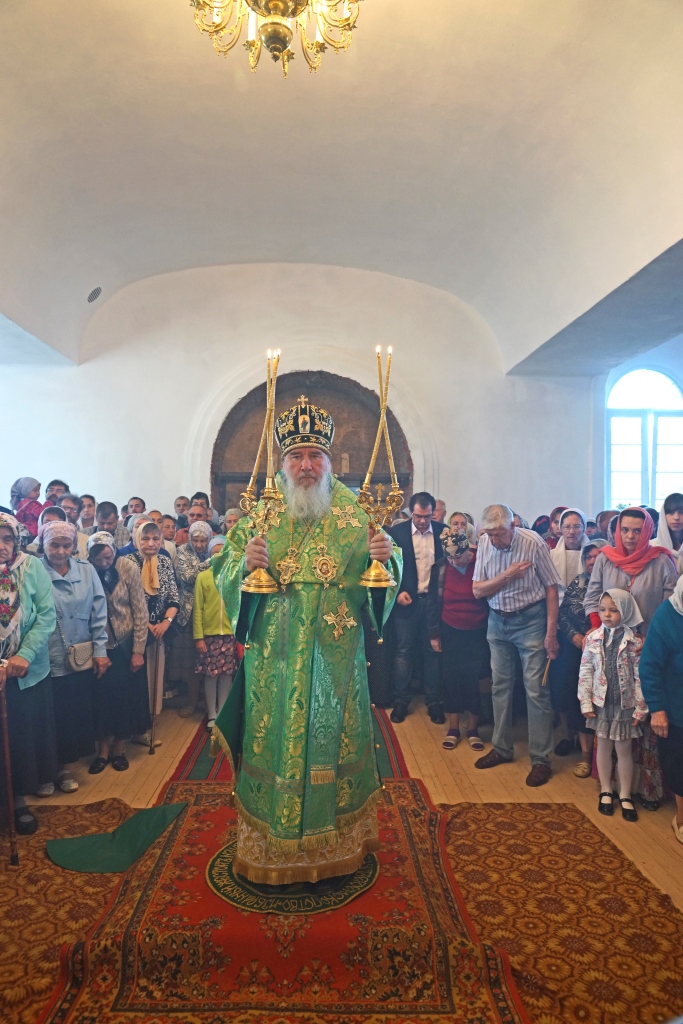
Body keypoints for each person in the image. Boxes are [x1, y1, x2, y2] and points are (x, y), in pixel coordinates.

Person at [212, 395, 401, 884]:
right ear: (283, 461)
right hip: (274, 658)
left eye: (316, 455)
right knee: (274, 738)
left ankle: (338, 844)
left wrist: (385, 556)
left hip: (336, 660)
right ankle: (271, 851)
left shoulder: (354, 510)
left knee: (331, 740)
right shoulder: (261, 511)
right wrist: (244, 564)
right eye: (296, 456)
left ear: (330, 461)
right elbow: (223, 567)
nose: (306, 465)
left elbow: (388, 565)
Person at [586, 508, 677, 809]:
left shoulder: (661, 560)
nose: (630, 536)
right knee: (612, 719)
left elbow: (670, 607)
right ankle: (610, 787)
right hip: (610, 650)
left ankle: (645, 790)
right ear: (617, 531)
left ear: (648, 531)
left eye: (637, 531)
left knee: (646, 717)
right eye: (625, 530)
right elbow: (593, 597)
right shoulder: (605, 558)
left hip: (650, 649)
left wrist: (652, 640)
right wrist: (600, 632)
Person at [472, 503, 561, 787]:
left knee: (536, 690)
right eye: (490, 534)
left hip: (531, 620)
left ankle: (541, 759)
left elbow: (551, 587)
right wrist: (507, 575)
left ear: (513, 526)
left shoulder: (533, 543)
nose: (495, 540)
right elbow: (477, 590)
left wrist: (551, 633)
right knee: (500, 685)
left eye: (500, 534)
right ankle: (501, 747)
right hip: (497, 621)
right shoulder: (485, 542)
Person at [42, 521, 110, 793]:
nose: (61, 551)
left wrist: (100, 651)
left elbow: (99, 612)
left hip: (79, 656)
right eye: (54, 545)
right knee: (47, 717)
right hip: (45, 656)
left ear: (74, 546)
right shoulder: (35, 570)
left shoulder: (86, 569)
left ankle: (65, 769)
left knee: (70, 715)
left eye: (66, 545)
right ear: (44, 544)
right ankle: (45, 772)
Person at [0, 513, 57, 835]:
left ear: (17, 540)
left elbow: (46, 615)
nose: (2, 545)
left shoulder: (32, 567)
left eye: (7, 539)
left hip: (25, 672)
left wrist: (23, 655)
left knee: (19, 737)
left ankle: (18, 800)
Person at [578, 589, 647, 822]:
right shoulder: (593, 639)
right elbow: (586, 671)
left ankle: (625, 794)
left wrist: (641, 707)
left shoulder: (634, 642)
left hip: (625, 706)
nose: (606, 615)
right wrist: (586, 701)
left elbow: (640, 677)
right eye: (602, 610)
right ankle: (606, 790)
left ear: (625, 611)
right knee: (604, 748)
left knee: (625, 750)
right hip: (602, 705)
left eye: (613, 610)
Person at [86, 532, 149, 773]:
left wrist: (138, 650)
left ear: (114, 550)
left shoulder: (127, 567)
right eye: (98, 559)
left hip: (126, 644)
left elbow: (140, 610)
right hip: (99, 647)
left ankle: (119, 748)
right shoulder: (87, 570)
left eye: (108, 557)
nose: (104, 563)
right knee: (101, 699)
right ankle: (102, 750)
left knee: (124, 698)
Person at [426, 527, 488, 751]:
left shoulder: (482, 563)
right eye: (450, 558)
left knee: (473, 679)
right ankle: (453, 728)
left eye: (458, 557)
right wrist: (434, 634)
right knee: (451, 678)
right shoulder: (441, 567)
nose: (454, 561)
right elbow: (433, 602)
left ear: (467, 551)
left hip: (478, 630)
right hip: (449, 628)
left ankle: (472, 729)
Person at [388, 491, 447, 724]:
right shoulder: (397, 534)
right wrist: (397, 592)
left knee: (433, 652)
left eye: (427, 516)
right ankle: (401, 700)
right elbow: (387, 568)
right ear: (411, 512)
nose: (422, 521)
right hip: (407, 602)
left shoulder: (443, 533)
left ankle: (434, 701)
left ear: (433, 513)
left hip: (434, 604)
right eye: (418, 516)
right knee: (404, 651)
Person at [124, 519, 179, 744]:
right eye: (145, 538)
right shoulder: (127, 562)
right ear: (137, 539)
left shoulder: (164, 561)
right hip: (135, 632)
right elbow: (126, 601)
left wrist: (165, 622)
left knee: (155, 680)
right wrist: (146, 624)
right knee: (137, 681)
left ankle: (148, 726)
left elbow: (174, 597)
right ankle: (134, 728)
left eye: (156, 538)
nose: (150, 543)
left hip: (160, 631)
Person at [557, 538, 608, 774]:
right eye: (588, 557)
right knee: (577, 695)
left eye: (597, 556)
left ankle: (598, 755)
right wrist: (574, 636)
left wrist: (596, 633)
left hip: (605, 650)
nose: (592, 561)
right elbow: (563, 612)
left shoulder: (613, 582)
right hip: (577, 648)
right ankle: (584, 753)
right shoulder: (578, 582)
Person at [639, 577, 683, 845]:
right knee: (679, 765)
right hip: (677, 707)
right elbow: (649, 666)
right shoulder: (668, 614)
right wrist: (657, 709)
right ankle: (681, 818)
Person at [193, 536, 235, 731]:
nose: (218, 556)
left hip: (228, 634)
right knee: (211, 675)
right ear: (209, 555)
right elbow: (198, 609)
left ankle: (224, 712)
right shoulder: (203, 577)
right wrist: (198, 637)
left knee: (226, 675)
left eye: (222, 552)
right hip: (209, 635)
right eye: (214, 553)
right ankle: (212, 713)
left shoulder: (233, 576)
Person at [173, 520, 212, 716]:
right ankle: (191, 701)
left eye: (203, 541)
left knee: (211, 659)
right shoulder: (183, 551)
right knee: (190, 662)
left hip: (211, 612)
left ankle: (209, 702)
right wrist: (212, 563)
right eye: (195, 540)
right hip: (189, 613)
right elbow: (187, 577)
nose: (199, 544)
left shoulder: (214, 550)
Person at [551, 508, 590, 601]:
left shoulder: (592, 555)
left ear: (584, 528)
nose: (572, 532)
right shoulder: (551, 556)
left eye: (577, 527)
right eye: (567, 527)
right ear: (561, 528)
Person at [652, 492, 683, 568]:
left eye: (681, 512)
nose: (676, 517)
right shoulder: (652, 546)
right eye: (671, 513)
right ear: (663, 515)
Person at [56, 494, 89, 559]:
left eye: (73, 509)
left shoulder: (86, 540)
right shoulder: (45, 535)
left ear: (78, 516)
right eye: (64, 507)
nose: (68, 511)